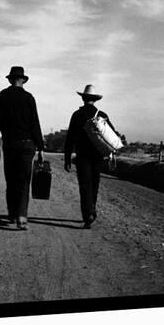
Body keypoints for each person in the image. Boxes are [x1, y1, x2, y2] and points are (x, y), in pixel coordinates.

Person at [0, 66, 44, 230]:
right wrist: (41, 147)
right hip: (28, 144)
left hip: (10, 143)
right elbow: (35, 123)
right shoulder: (29, 98)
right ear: (22, 80)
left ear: (9, 79)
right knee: (24, 180)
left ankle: (12, 213)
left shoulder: (2, 96)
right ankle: (22, 215)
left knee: (11, 179)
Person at [64, 85, 118, 229]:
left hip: (82, 156)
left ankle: (88, 214)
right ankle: (92, 209)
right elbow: (112, 134)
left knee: (84, 185)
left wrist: (67, 158)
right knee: (94, 183)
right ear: (95, 100)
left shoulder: (77, 115)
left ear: (82, 98)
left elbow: (70, 138)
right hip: (97, 156)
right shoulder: (102, 114)